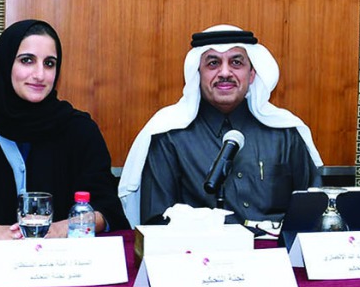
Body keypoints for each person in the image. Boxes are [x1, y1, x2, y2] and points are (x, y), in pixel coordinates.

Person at [0, 20, 128, 240]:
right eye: (27, 61)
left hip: (65, 264)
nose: (40, 75)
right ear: (5, 65)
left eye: (50, 63)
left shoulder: (80, 130)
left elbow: (108, 209)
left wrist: (62, 229)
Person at [120, 24, 323, 228]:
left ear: (252, 74)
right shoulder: (168, 135)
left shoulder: (285, 133)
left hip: (275, 256)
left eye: (236, 62)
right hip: (197, 256)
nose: (225, 72)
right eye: (213, 63)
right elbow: (157, 221)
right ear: (197, 74)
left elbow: (313, 212)